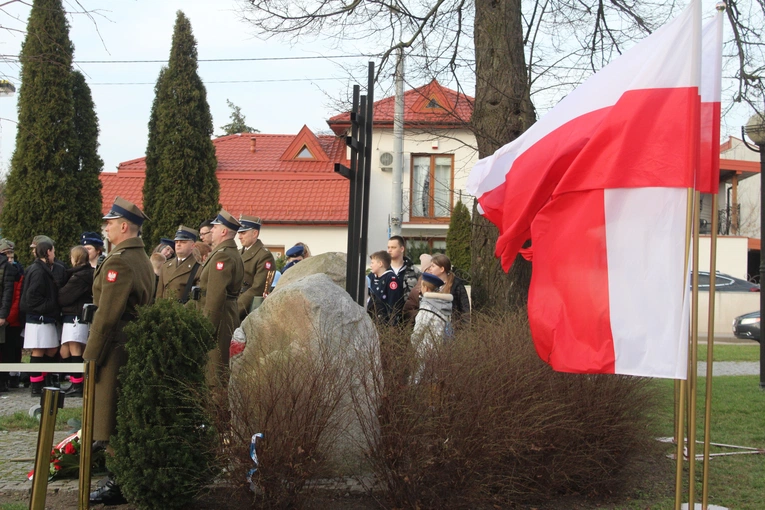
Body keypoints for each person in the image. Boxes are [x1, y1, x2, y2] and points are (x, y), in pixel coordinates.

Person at [84, 197, 153, 505]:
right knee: (118, 414)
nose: (106, 227)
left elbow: (107, 313)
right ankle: (121, 478)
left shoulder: (120, 261)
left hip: (115, 345)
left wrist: (91, 355)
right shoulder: (140, 257)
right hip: (129, 340)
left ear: (124, 226)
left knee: (108, 416)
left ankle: (118, 482)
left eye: (110, 223)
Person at [188, 209, 244, 386]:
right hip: (222, 317)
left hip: (217, 321)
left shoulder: (223, 256)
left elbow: (215, 296)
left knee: (214, 376)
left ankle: (215, 413)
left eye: (215, 227)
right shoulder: (223, 253)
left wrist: (205, 329)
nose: (211, 230)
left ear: (224, 231)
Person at [20, 241, 60, 396]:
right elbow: (32, 297)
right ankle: (36, 385)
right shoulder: (38, 271)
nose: (55, 255)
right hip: (39, 317)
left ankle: (45, 380)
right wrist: (50, 305)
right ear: (48, 252)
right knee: (38, 349)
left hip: (43, 316)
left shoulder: (40, 268)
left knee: (51, 348)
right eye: (53, 251)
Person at [57, 245, 94, 397]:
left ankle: (77, 384)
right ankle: (75, 379)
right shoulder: (83, 274)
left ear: (76, 258)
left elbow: (64, 297)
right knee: (65, 349)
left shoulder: (80, 276)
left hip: (75, 316)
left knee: (75, 348)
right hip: (73, 315)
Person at [403, 254, 471, 326]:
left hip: (453, 328)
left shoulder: (457, 284)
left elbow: (464, 309)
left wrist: (463, 329)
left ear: (442, 269)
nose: (430, 269)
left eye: (433, 266)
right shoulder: (429, 284)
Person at [410, 272, 453, 381]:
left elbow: (418, 332)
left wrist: (413, 348)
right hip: (441, 353)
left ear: (426, 288)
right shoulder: (444, 306)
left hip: (425, 354)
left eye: (421, 286)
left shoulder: (426, 308)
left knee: (418, 383)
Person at [236, 215, 275, 319]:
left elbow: (258, 289)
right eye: (239, 233)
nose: (239, 236)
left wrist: (235, 309)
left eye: (243, 233)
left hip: (246, 312)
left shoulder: (264, 256)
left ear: (255, 233)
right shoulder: (239, 253)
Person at [0, 240, 23, 389]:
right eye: (7, 253)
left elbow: (13, 294)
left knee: (9, 350)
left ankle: (8, 379)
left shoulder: (16, 270)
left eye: (11, 253)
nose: (10, 256)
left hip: (10, 316)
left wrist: (6, 316)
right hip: (7, 314)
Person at [155, 226, 200, 303]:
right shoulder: (166, 266)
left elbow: (197, 300)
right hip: (165, 312)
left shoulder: (199, 268)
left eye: (183, 242)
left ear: (192, 245)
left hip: (183, 313)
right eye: (177, 242)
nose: (178, 244)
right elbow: (159, 295)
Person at [367, 250, 405, 326]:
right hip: (371, 318)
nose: (370, 265)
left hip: (384, 321)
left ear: (380, 264)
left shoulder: (391, 279)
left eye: (372, 263)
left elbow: (393, 302)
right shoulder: (371, 277)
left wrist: (392, 322)